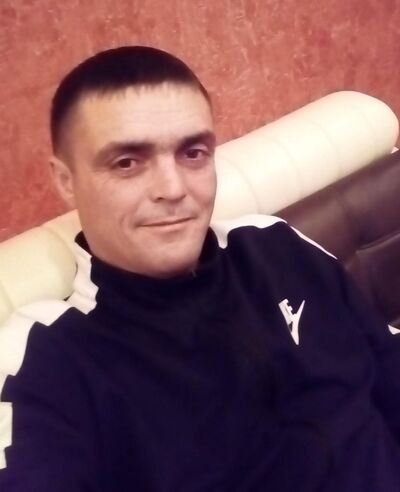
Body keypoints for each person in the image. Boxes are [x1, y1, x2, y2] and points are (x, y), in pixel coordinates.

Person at [0, 46, 400, 492]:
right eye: (127, 163)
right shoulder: (48, 356)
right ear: (66, 181)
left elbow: (387, 366)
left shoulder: (273, 244)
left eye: (192, 153)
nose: (173, 189)